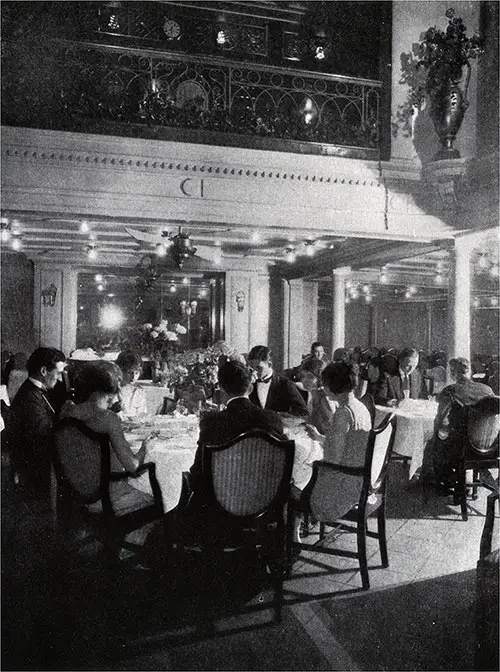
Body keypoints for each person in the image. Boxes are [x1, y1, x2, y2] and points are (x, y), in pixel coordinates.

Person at [60, 360, 157, 549]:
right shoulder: (108, 419)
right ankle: (129, 548)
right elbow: (133, 466)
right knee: (157, 495)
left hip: (76, 490)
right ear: (111, 387)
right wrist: (146, 447)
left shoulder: (67, 411)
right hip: (106, 496)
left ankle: (112, 543)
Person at [294, 362, 371, 541]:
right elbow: (348, 444)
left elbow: (332, 460)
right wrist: (320, 438)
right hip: (359, 481)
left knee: (292, 483)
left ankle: (292, 538)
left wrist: (310, 464)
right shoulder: (360, 407)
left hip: (341, 490)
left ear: (332, 386)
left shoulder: (343, 414)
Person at [188, 360, 285, 492]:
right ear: (250, 388)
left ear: (221, 389)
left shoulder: (212, 421)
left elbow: (198, 474)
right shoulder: (272, 419)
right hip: (262, 503)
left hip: (220, 504)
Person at [4, 347, 66, 501]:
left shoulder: (35, 390)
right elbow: (45, 435)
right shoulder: (29, 398)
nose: (59, 378)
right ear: (44, 371)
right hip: (35, 470)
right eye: (58, 373)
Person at [247, 345, 308, 417]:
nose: (254, 372)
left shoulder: (284, 383)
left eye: (258, 368)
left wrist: (279, 416)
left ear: (269, 364)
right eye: (251, 368)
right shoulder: (247, 383)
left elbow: (303, 411)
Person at [296, 357, 337, 435]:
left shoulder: (324, 399)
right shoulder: (313, 395)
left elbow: (333, 433)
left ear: (320, 378)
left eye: (310, 377)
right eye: (303, 376)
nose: (304, 380)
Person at [115, 350, 148, 417]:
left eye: (136, 373)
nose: (133, 377)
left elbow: (142, 414)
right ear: (120, 371)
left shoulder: (139, 391)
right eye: (129, 372)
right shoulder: (113, 390)